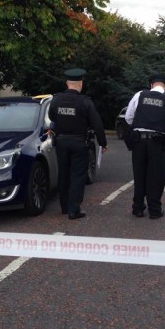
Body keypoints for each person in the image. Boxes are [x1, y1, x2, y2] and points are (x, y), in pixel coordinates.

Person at [49, 68, 108, 219]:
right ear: (80, 83)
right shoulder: (85, 102)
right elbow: (97, 124)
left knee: (64, 173)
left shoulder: (56, 100)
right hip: (79, 142)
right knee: (77, 175)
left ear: (67, 83)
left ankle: (64, 207)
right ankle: (74, 209)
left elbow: (51, 116)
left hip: (61, 142)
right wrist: (103, 143)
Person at [124, 73, 165, 219]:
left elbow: (128, 117)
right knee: (156, 176)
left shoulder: (139, 95)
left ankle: (138, 208)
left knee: (139, 174)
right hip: (157, 142)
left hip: (138, 141)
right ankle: (154, 210)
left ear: (151, 85)